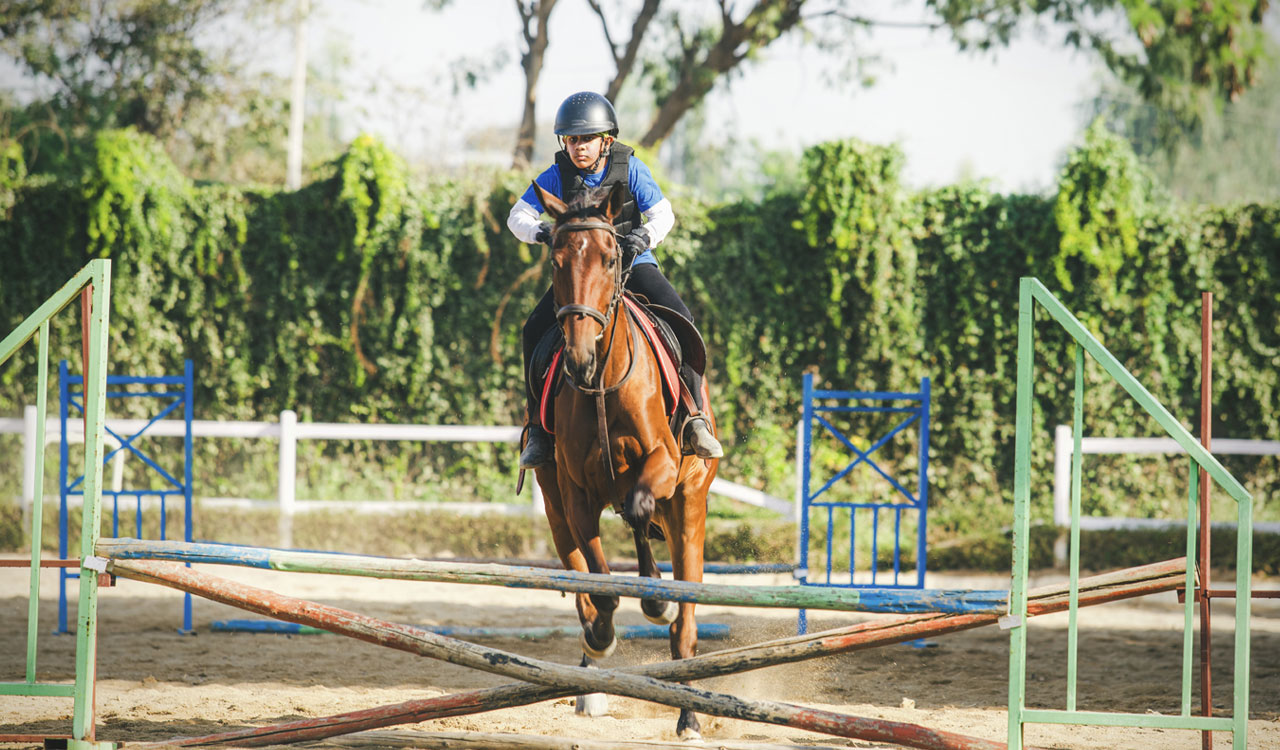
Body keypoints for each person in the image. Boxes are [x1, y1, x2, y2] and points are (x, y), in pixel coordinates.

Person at [507, 91, 723, 470]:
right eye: (571, 140)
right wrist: (541, 232)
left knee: (682, 321)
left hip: (633, 264)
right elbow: (517, 215)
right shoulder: (557, 174)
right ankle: (540, 432)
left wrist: (644, 237)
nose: (577, 148)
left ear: (606, 140)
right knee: (532, 331)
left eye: (585, 139)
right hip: (584, 277)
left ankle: (694, 420)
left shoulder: (631, 169)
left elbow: (664, 215)